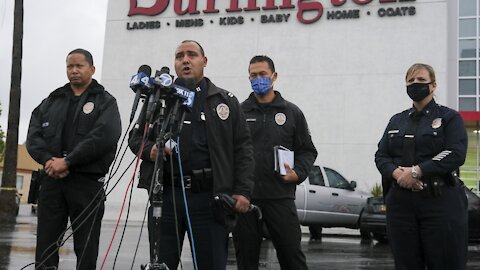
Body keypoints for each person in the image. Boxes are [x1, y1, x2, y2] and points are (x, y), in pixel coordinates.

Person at [128, 40, 255, 270]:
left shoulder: (225, 101)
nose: (185, 60)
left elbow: (243, 149)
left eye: (191, 55)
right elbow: (135, 138)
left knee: (211, 264)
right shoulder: (160, 99)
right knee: (161, 264)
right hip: (165, 196)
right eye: (179, 56)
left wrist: (243, 191)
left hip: (209, 198)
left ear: (204, 61)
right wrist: (150, 151)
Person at [26, 48, 122, 270]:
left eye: (80, 66)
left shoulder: (105, 101)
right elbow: (33, 135)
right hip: (52, 182)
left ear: (92, 69)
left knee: (86, 248)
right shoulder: (52, 101)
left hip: (86, 184)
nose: (74, 70)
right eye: (70, 66)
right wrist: (49, 161)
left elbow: (104, 136)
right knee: (46, 246)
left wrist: (68, 162)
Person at [375, 63, 468, 270]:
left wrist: (417, 171)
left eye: (420, 81)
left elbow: (456, 153)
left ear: (433, 85)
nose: (415, 85)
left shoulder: (449, 118)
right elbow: (381, 155)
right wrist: (396, 173)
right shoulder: (396, 120)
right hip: (401, 205)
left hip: (439, 201)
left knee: (444, 262)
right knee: (406, 263)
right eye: (410, 81)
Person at [232, 55, 318, 270]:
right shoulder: (239, 112)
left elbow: (307, 151)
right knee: (246, 261)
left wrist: (297, 173)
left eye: (262, 74)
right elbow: (228, 153)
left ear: (274, 76)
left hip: (280, 198)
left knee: (292, 258)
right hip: (246, 200)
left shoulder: (292, 113)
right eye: (253, 75)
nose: (258, 79)